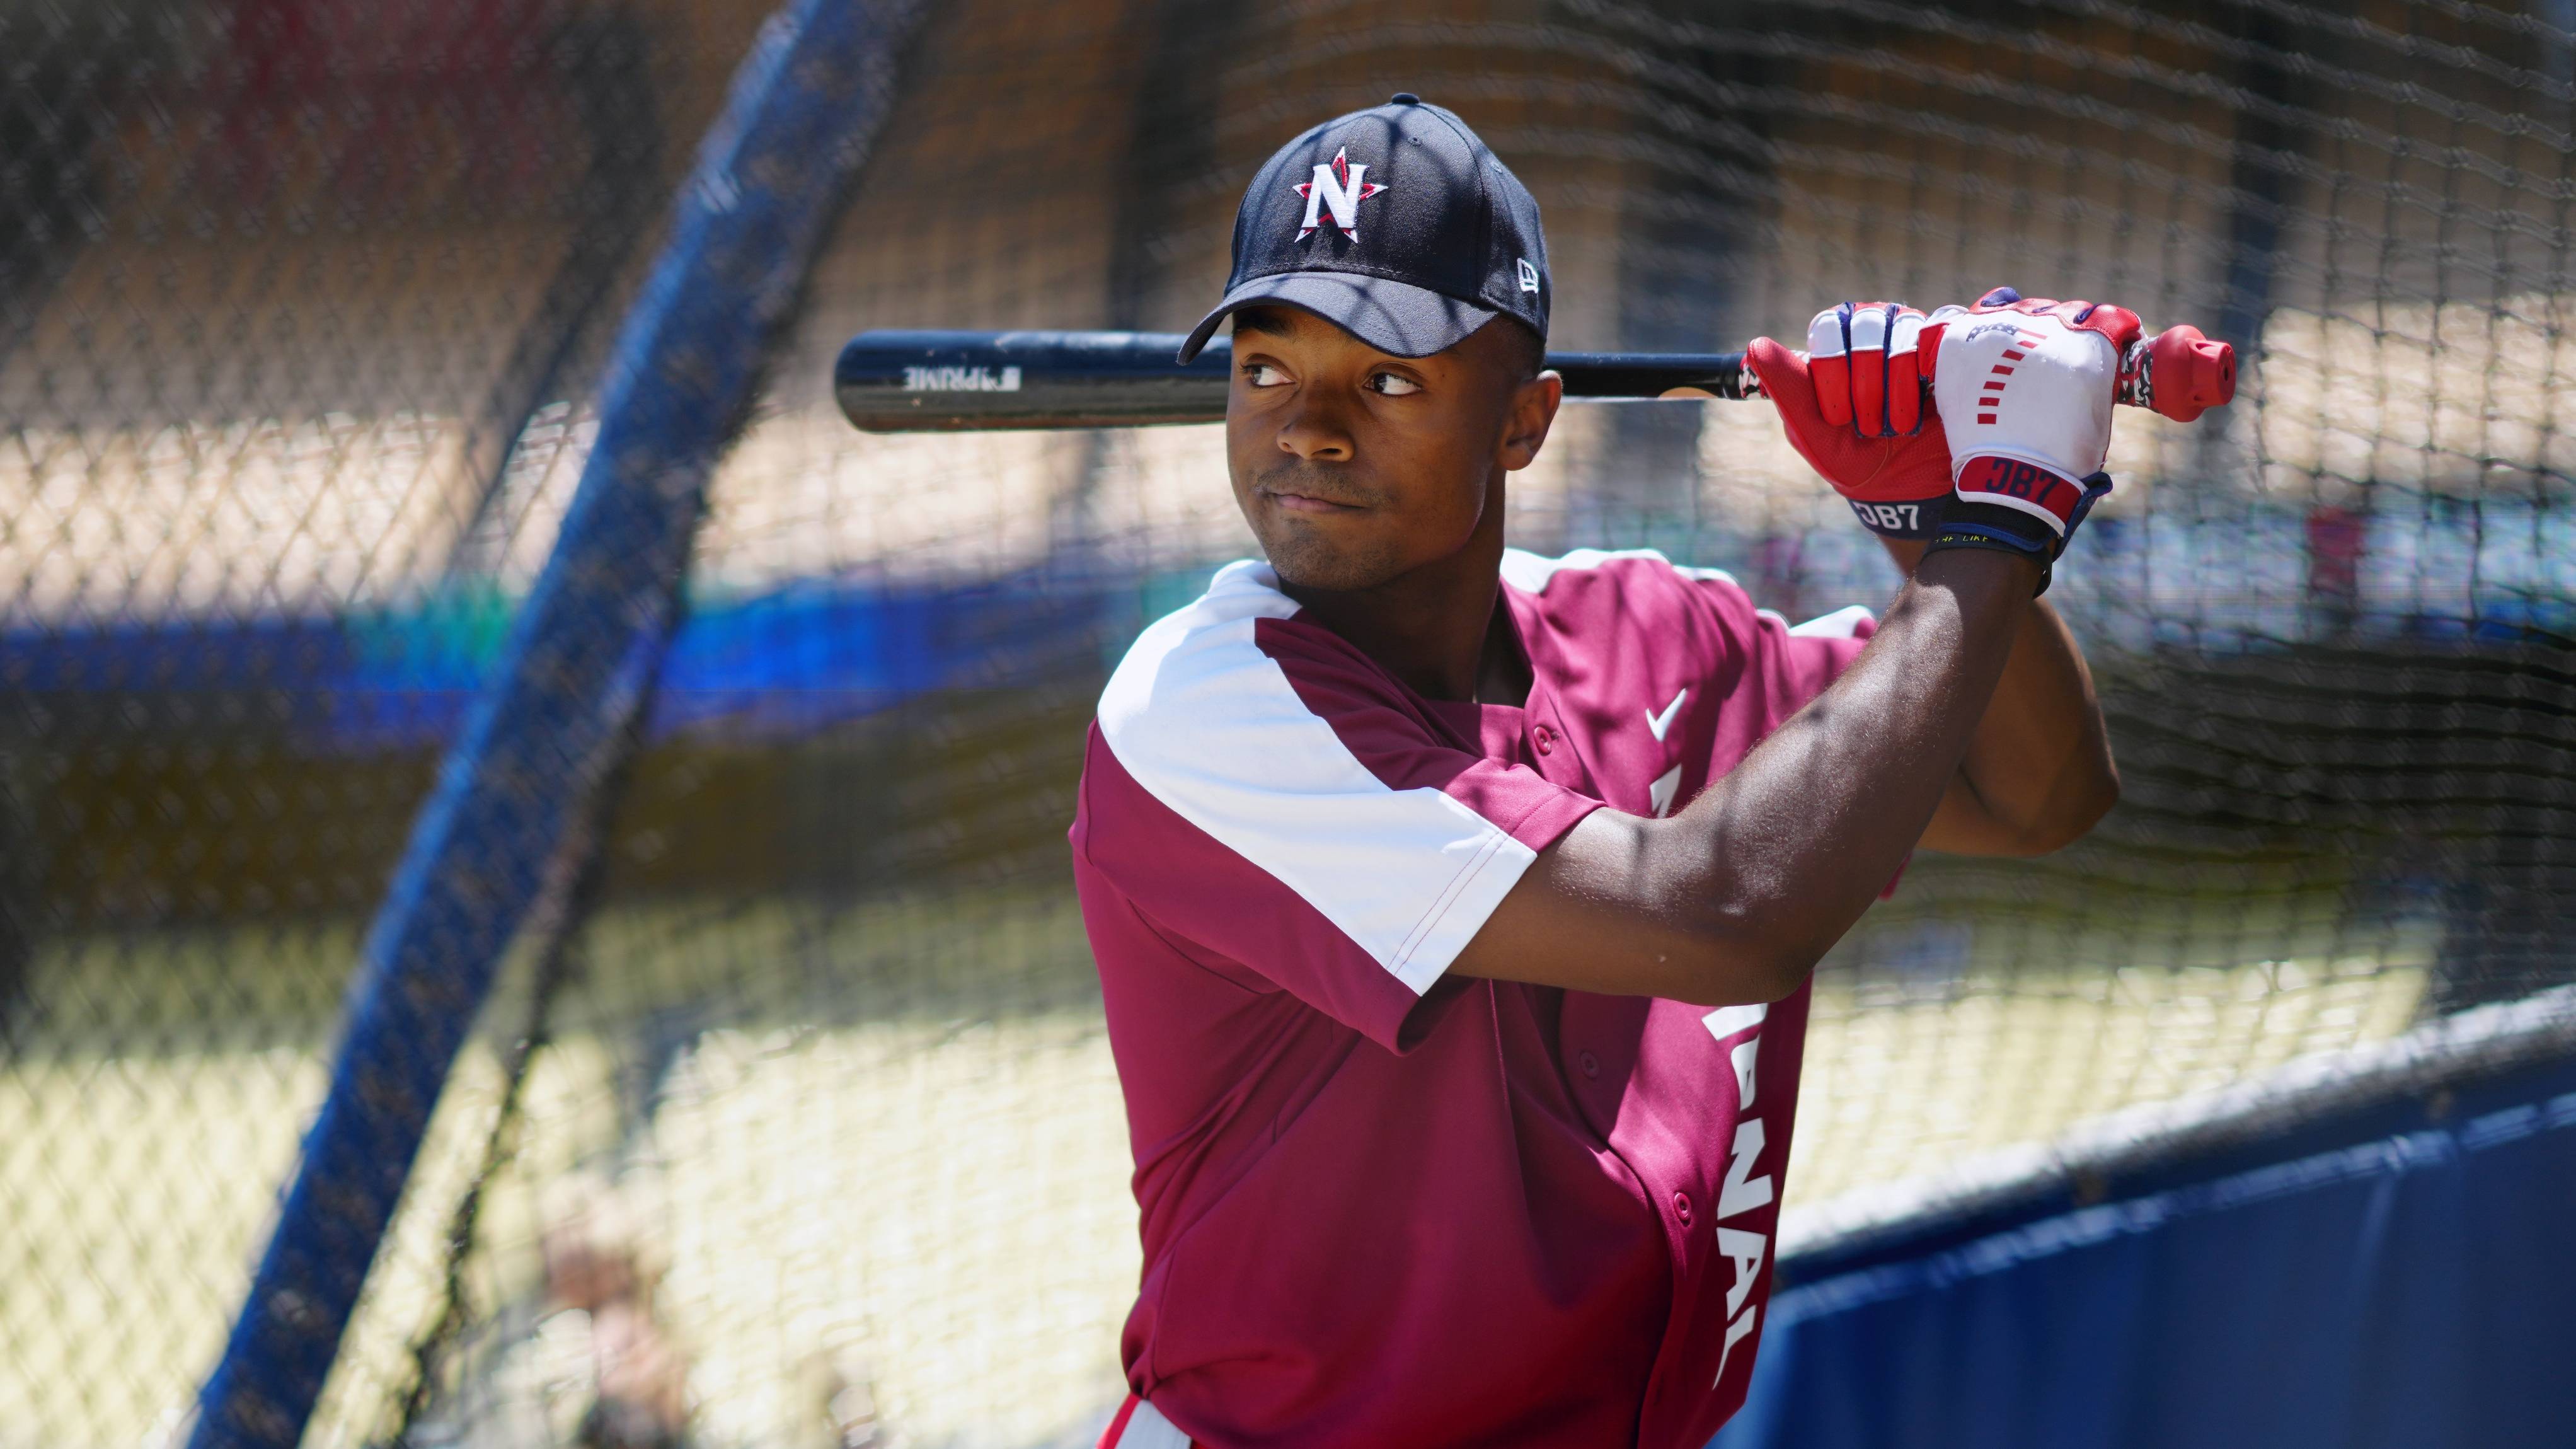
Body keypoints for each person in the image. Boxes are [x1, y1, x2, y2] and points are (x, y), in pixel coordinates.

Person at [1074, 95, 2123, 1449]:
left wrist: (1927, 522)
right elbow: (1722, 914)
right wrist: (1998, 528)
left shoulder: (1644, 628)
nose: (1310, 430)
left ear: (1524, 422)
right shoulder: (1202, 707)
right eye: (1267, 368)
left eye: (1387, 380)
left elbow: (2033, 792)